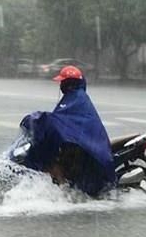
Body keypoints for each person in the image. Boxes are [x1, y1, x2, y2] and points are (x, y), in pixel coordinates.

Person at [19, 65, 116, 197]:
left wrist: (40, 119)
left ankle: (64, 191)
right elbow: (60, 121)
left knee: (53, 163)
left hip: (86, 148)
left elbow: (59, 120)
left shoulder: (77, 99)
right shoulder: (72, 97)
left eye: (63, 82)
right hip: (78, 144)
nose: (61, 85)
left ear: (69, 83)